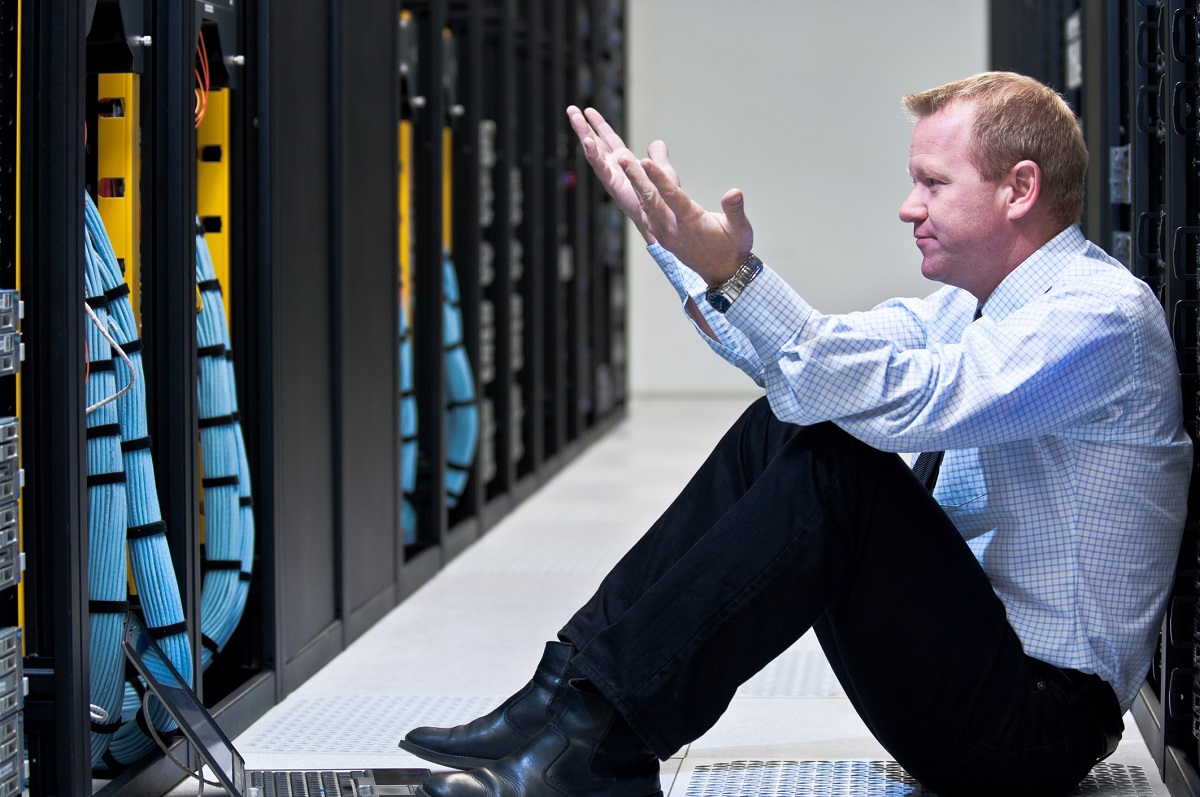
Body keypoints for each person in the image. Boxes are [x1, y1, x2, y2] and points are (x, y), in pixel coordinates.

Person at [400, 72, 1192, 797]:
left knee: (841, 462)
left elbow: (920, 398)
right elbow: (806, 367)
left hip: (1032, 725)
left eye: (932, 183)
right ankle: (565, 698)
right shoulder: (968, 308)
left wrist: (737, 277)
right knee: (786, 422)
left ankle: (599, 749)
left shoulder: (1100, 318)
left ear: (1021, 188)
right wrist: (690, 256)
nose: (908, 205)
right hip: (972, 672)